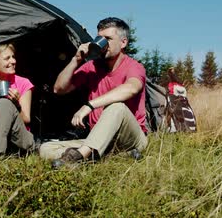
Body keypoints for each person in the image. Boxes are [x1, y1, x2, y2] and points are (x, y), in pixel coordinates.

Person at [39, 17, 148, 167]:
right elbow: (59, 89)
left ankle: (77, 157)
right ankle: (104, 156)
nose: (103, 43)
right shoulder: (92, 67)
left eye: (108, 39)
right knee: (46, 149)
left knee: (116, 107)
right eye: (100, 38)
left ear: (123, 42)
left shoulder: (134, 66)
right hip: (98, 138)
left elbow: (132, 88)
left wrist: (89, 106)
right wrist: (76, 60)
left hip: (130, 139)